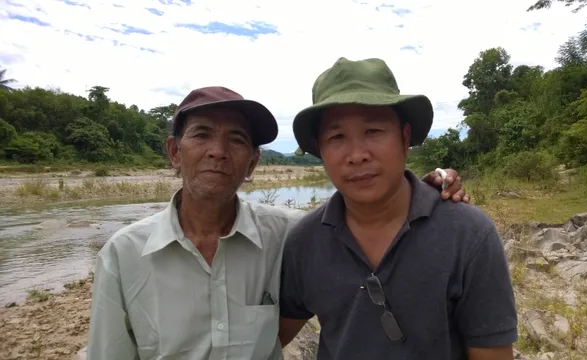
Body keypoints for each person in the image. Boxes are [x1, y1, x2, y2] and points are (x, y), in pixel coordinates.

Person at [86, 85, 471, 359]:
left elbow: (366, 222)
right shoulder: (125, 255)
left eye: (236, 140)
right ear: (174, 152)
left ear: (253, 163)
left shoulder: (291, 236)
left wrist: (428, 190)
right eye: (201, 135)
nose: (218, 152)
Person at [278, 57, 518, 360]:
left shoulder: (468, 234)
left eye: (373, 131)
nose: (357, 155)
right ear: (320, 151)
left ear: (404, 138)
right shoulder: (305, 241)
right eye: (337, 137)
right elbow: (270, 337)